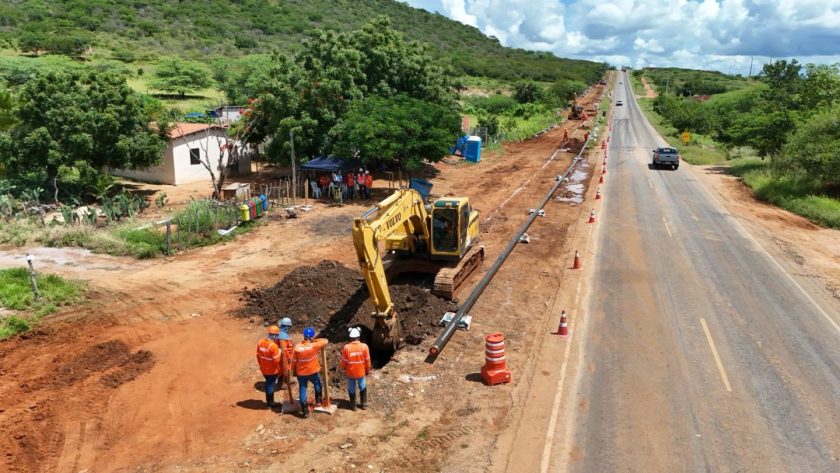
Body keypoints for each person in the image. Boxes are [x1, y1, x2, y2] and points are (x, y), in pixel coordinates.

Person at [290, 326, 328, 418]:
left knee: (302, 389)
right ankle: (318, 402)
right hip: (312, 371)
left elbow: (294, 361)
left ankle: (305, 411)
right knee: (317, 384)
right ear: (311, 336)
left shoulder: (298, 347)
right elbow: (325, 341)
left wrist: (293, 372)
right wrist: (315, 340)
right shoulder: (313, 346)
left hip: (301, 373)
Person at [340, 327, 372, 411]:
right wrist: (367, 370)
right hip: (361, 372)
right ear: (359, 336)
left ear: (350, 337)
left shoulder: (346, 347)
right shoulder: (364, 347)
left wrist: (344, 368)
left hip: (350, 373)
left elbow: (343, 362)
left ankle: (353, 405)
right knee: (362, 386)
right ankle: (364, 404)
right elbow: (367, 360)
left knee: (351, 388)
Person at [256, 325, 282, 409]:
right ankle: (270, 404)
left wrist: (261, 365)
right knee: (270, 385)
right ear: (275, 335)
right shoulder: (273, 346)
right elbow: (276, 360)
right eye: (277, 335)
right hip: (272, 370)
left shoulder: (260, 342)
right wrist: (280, 352)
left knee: (268, 383)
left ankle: (270, 402)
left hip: (263, 368)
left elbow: (258, 356)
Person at [276, 317, 295, 390]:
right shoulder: (282, 336)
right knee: (283, 369)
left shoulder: (282, 333)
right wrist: (289, 357)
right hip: (284, 357)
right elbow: (284, 350)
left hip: (286, 356)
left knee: (286, 369)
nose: (289, 328)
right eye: (288, 326)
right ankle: (281, 384)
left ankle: (287, 381)